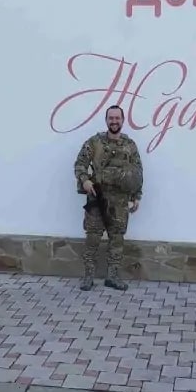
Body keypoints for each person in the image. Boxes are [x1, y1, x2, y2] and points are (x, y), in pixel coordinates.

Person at [74, 105, 143, 291]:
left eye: (117, 118)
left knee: (117, 240)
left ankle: (112, 277)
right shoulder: (95, 142)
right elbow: (80, 163)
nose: (114, 121)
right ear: (106, 120)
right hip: (97, 199)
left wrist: (137, 195)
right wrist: (84, 180)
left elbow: (137, 171)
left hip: (120, 202)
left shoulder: (130, 145)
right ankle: (88, 276)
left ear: (122, 120)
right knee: (93, 239)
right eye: (111, 118)